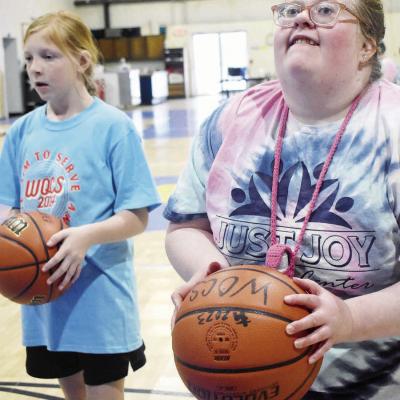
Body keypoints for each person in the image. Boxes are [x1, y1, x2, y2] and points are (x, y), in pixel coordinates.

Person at [164, 1, 400, 398]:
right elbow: (185, 225)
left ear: (368, 46)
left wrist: (348, 319)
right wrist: (212, 274)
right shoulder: (231, 118)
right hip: (238, 375)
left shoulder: (391, 128)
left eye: (326, 9)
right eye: (290, 9)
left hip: (370, 382)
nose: (302, 18)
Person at [0, 11, 160, 400]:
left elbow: (136, 216)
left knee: (103, 392)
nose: (35, 68)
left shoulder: (113, 127)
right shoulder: (22, 131)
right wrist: (13, 248)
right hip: (43, 293)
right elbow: (7, 209)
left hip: (98, 292)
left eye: (49, 57)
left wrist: (85, 237)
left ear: (82, 60)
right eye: (29, 59)